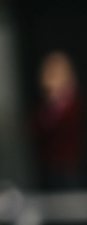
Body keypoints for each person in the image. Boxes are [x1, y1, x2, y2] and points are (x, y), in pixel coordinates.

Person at [33, 51, 83, 189]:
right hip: (49, 170)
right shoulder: (42, 108)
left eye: (55, 73)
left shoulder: (78, 105)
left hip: (73, 171)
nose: (49, 77)